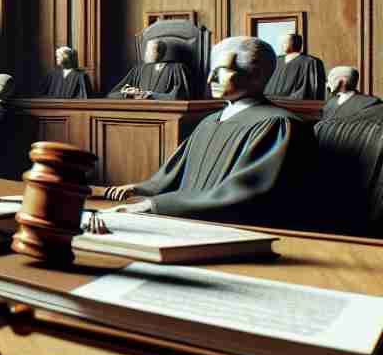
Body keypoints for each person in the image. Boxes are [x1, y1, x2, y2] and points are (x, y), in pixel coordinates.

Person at [107, 37, 318, 229]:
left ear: (256, 75)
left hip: (238, 234)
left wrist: (153, 206)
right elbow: (175, 172)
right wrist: (142, 189)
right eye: (211, 70)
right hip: (188, 223)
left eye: (222, 70)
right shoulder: (211, 121)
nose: (210, 80)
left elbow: (245, 194)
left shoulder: (278, 124)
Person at [110, 39, 191, 100]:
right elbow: (112, 94)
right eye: (148, 50)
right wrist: (127, 93)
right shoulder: (138, 70)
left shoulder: (177, 69)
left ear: (162, 52)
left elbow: (178, 97)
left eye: (153, 50)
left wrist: (150, 95)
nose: (148, 53)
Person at [263, 33, 326, 100]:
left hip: (295, 104)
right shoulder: (277, 61)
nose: (282, 45)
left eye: (285, 42)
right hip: (270, 102)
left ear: (294, 42)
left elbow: (313, 89)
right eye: (282, 43)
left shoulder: (310, 62)